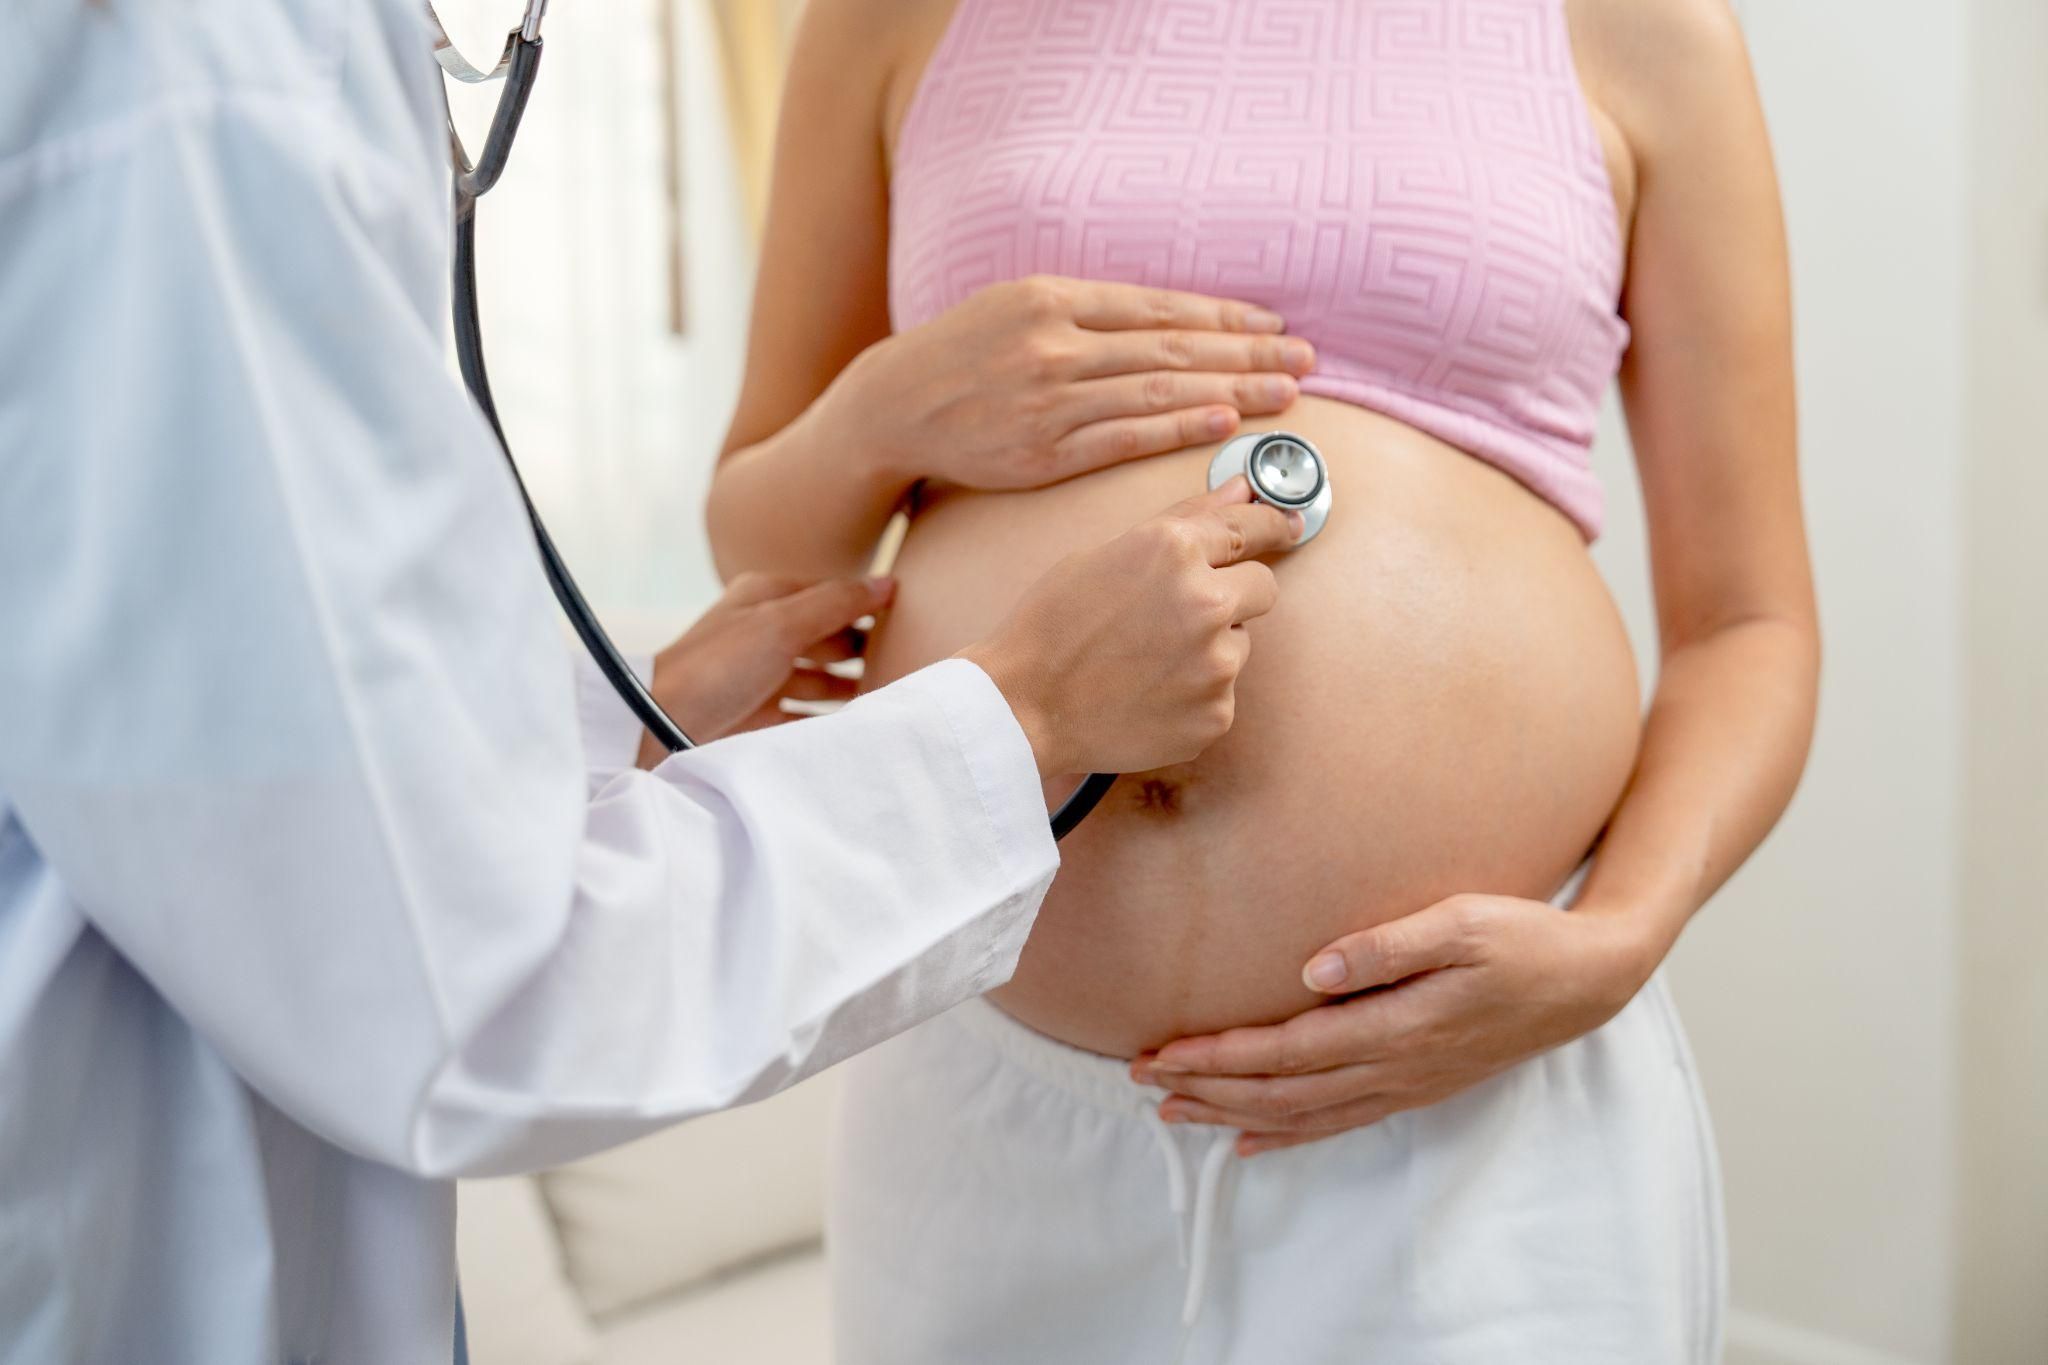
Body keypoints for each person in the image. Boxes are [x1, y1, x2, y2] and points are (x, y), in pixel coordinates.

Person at [0, 2, 1304, 1361]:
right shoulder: (180, 64)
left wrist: (614, 713)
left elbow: (235, 724)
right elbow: (463, 991)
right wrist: (1027, 716)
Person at [706, 0, 1820, 1360]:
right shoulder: (885, 19)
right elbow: (761, 544)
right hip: (987, 1085)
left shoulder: (1645, 31)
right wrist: (887, 413)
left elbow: (1749, 624)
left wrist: (1621, 939)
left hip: (1466, 1105)